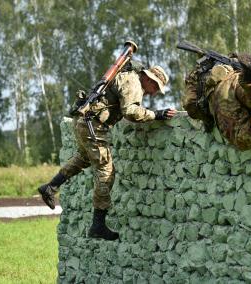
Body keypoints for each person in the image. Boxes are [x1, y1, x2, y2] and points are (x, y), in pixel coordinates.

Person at [38, 65, 176, 241]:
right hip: (93, 126)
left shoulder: (129, 78)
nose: (154, 93)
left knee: (84, 158)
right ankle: (98, 225)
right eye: (155, 87)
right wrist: (156, 114)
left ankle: (50, 187)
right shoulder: (133, 82)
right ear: (149, 79)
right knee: (106, 173)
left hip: (85, 122)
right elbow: (131, 112)